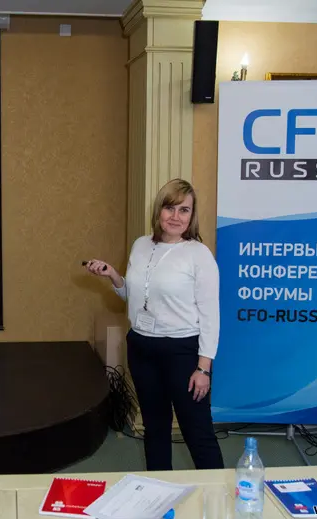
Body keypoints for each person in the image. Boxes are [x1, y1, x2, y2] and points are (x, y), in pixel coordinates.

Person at [85, 178, 224, 471]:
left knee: (197, 432)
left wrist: (203, 368)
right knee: (154, 427)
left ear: (192, 215)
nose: (176, 216)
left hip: (183, 352)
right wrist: (113, 276)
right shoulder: (141, 245)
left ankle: (218, 493)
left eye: (184, 210)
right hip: (141, 347)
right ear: (159, 210)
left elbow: (211, 315)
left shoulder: (198, 254)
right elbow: (135, 296)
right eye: (170, 208)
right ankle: (160, 489)